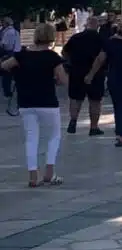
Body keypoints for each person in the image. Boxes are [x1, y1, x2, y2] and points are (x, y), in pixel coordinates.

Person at [1, 22, 67, 186]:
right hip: (47, 102)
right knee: (54, 135)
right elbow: (63, 80)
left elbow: (4, 66)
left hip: (26, 102)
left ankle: (33, 175)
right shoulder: (52, 57)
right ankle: (49, 172)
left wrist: (18, 73)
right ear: (51, 37)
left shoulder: (22, 55)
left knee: (31, 138)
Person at [85, 16, 122, 146]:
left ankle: (120, 131)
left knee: (118, 106)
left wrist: (90, 74)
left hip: (114, 78)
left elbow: (99, 60)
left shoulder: (110, 42)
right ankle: (121, 133)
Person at [62, 16, 106, 136]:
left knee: (75, 98)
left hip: (76, 71)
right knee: (95, 101)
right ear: (97, 26)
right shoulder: (101, 39)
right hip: (96, 74)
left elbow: (64, 52)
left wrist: (69, 62)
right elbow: (103, 57)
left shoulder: (76, 37)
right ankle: (93, 127)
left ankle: (73, 120)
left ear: (86, 25)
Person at [1, 16, 22, 115]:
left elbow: (5, 45)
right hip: (16, 53)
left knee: (7, 73)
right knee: (15, 74)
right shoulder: (15, 32)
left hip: (9, 53)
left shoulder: (7, 32)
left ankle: (7, 91)